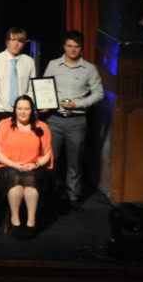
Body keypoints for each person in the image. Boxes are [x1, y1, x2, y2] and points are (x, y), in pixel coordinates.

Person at [42, 30, 103, 211]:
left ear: (81, 48)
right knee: (50, 160)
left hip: (77, 121)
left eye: (76, 46)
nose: (73, 49)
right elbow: (44, 86)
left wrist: (79, 103)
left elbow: (99, 93)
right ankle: (48, 194)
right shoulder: (53, 65)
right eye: (69, 45)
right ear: (64, 46)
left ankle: (72, 196)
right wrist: (45, 103)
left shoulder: (89, 69)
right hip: (54, 119)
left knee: (74, 162)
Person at [0, 95, 53, 239]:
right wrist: (14, 164)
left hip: (34, 167)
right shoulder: (4, 124)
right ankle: (15, 220)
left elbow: (47, 153)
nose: (23, 112)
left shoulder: (42, 126)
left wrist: (35, 165)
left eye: (27, 108)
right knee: (17, 185)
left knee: (30, 184)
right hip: (8, 165)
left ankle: (31, 221)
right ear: (15, 110)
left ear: (32, 110)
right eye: (20, 108)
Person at [0, 27, 36, 123]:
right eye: (13, 40)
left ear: (23, 44)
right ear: (7, 41)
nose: (16, 44)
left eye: (20, 41)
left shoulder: (29, 62)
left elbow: (32, 88)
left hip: (22, 112)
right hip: (0, 111)